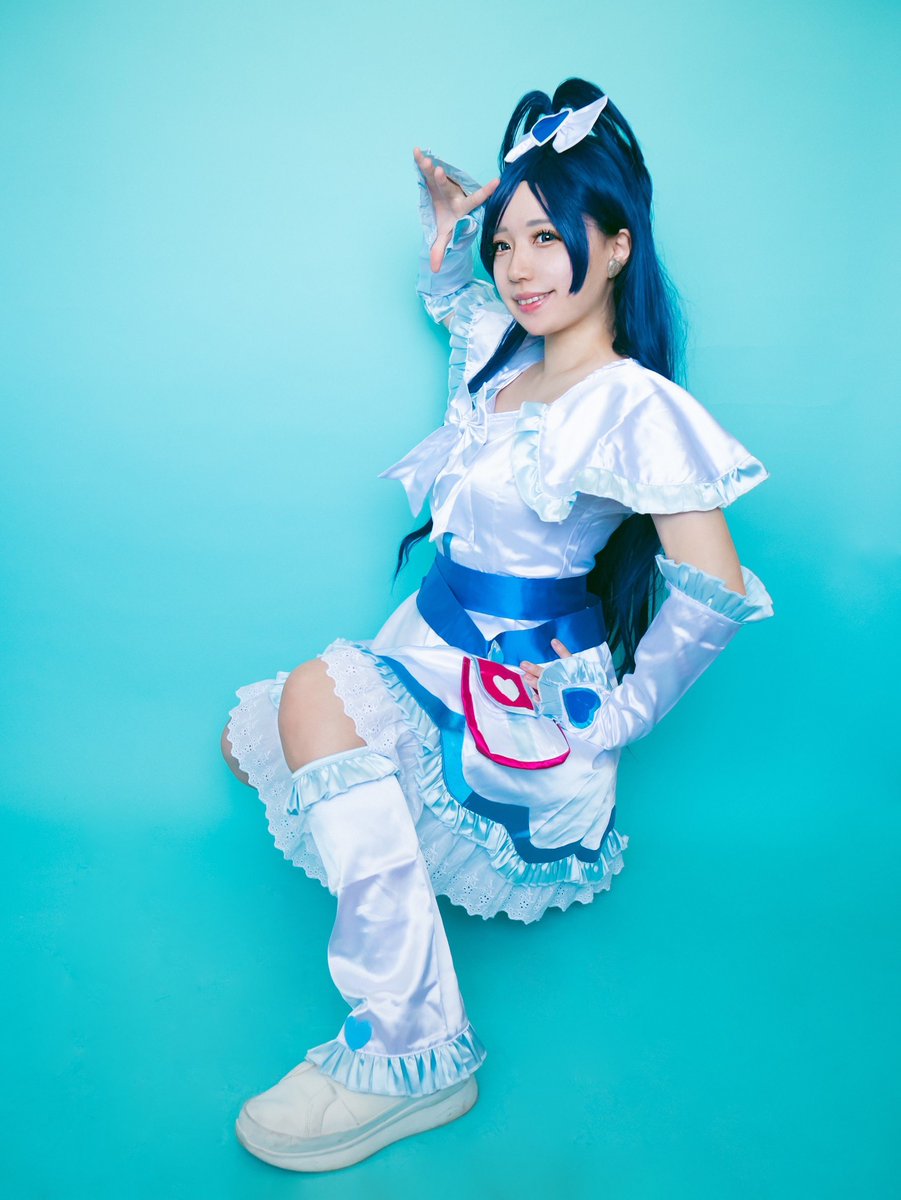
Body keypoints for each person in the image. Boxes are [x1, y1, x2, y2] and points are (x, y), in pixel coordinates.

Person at [222, 77, 774, 1173]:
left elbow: (712, 582)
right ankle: (399, 897)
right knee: (266, 741)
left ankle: (412, 1050)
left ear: (617, 246)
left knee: (313, 704)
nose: (517, 267)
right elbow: (461, 300)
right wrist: (458, 230)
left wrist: (623, 716)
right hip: (428, 646)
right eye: (507, 242)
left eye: (547, 239)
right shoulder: (506, 360)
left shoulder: (632, 404)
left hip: (518, 693)